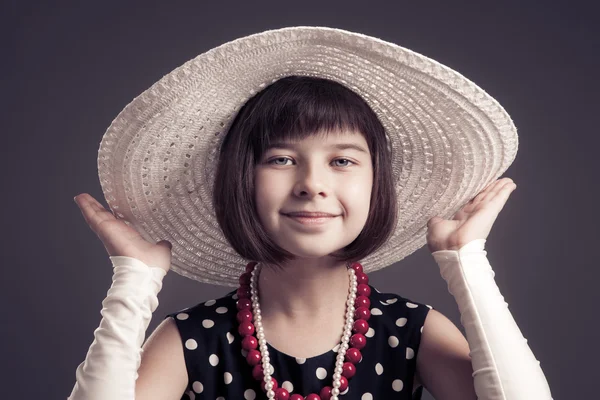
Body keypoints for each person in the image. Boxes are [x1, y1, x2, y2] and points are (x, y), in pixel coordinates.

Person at [67, 27, 553, 400]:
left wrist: (464, 262)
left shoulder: (408, 331)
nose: (312, 185)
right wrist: (135, 278)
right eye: (281, 159)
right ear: (242, 180)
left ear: (376, 183)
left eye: (342, 161)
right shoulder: (194, 339)